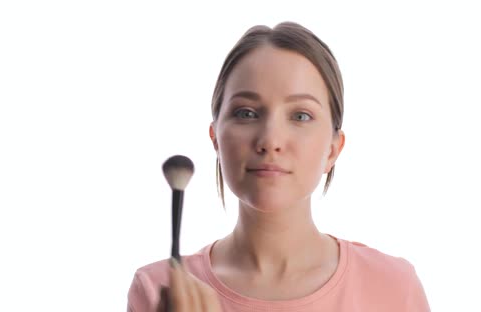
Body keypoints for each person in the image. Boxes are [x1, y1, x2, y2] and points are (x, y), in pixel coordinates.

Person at [127, 21, 431, 311]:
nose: (270, 140)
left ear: (333, 149)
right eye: (246, 113)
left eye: (300, 116)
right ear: (216, 138)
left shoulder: (393, 286)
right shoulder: (157, 290)